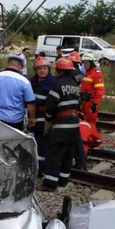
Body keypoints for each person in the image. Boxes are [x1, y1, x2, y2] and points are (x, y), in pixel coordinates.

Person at [38, 57, 87, 192]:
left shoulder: (57, 84)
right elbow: (78, 103)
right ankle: (63, 180)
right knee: (67, 155)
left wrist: (48, 118)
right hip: (74, 124)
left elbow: (51, 105)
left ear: (58, 70)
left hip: (61, 125)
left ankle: (50, 183)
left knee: (54, 155)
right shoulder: (74, 85)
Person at [0, 54, 36, 130]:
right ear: (21, 67)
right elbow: (30, 104)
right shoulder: (25, 82)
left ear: (7, 64)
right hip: (15, 121)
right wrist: (32, 118)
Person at [30, 56, 55, 177]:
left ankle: (40, 170)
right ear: (35, 70)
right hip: (35, 118)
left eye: (44, 68)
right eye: (39, 69)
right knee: (37, 142)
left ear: (48, 69)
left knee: (44, 145)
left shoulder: (53, 82)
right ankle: (37, 167)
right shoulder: (32, 82)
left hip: (47, 119)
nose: (42, 71)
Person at [79, 53, 105, 128]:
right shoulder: (88, 73)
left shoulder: (97, 74)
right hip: (85, 102)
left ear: (92, 63)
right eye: (84, 62)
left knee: (91, 124)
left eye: (86, 62)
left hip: (91, 103)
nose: (84, 64)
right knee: (85, 123)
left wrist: (95, 103)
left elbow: (100, 91)